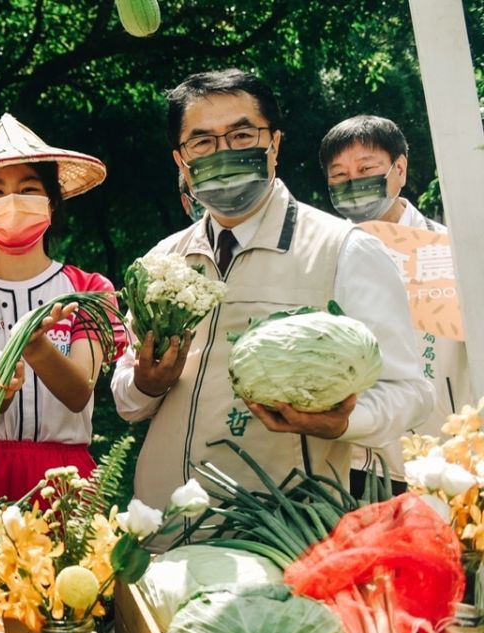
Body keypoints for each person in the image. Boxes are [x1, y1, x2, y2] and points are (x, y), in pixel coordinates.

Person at [110, 69, 433, 514]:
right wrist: (145, 385)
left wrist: (343, 421)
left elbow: (410, 392)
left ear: (274, 144)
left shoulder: (343, 250)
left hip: (281, 531)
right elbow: (126, 400)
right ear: (181, 160)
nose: (223, 152)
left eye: (242, 135)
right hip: (161, 527)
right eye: (202, 142)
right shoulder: (161, 264)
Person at [0, 114, 128, 502]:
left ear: (51, 201)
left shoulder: (89, 289)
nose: (11, 202)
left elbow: (79, 392)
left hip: (68, 479)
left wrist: (33, 346)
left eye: (28, 188)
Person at [319, 114, 473, 494]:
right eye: (339, 175)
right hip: (346, 459)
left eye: (366, 168)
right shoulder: (321, 254)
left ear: (399, 168)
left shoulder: (453, 252)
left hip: (436, 461)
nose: (352, 182)